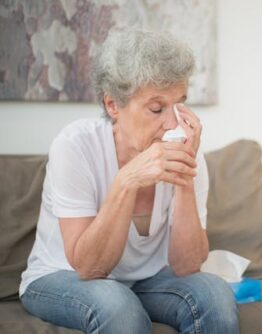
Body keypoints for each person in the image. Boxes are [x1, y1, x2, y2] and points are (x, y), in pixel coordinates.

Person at [19, 29, 239, 334]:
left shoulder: (187, 152)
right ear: (113, 106)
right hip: (61, 276)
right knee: (119, 306)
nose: (174, 124)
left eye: (179, 105)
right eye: (157, 108)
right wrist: (127, 181)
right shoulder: (75, 146)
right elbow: (89, 267)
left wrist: (184, 177)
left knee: (215, 294)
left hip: (145, 280)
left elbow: (187, 266)